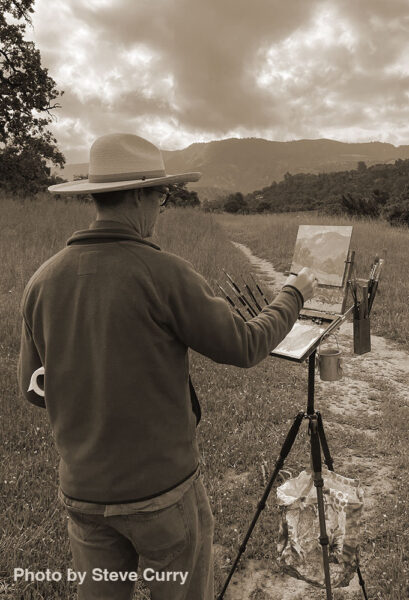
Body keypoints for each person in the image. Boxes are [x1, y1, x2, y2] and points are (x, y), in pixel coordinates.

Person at [18, 133, 317, 600]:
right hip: (162, 493)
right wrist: (294, 294)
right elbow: (244, 344)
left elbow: (34, 391)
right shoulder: (164, 273)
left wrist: (90, 387)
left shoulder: (42, 281)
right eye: (162, 194)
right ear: (140, 195)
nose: (163, 205)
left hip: (83, 495)